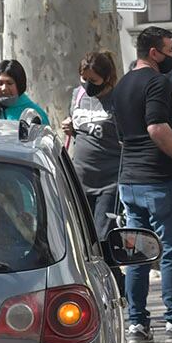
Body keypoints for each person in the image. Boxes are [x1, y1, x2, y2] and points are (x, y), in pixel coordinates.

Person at [111, 26, 172, 342]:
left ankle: (137, 323)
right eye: (170, 50)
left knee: (137, 255)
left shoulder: (124, 84)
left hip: (129, 181)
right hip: (160, 182)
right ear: (154, 53)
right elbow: (154, 128)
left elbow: (130, 131)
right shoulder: (158, 81)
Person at [61, 51, 123, 241]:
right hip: (80, 179)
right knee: (82, 239)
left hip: (109, 182)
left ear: (107, 79)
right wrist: (70, 125)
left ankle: (111, 271)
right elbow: (77, 124)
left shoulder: (118, 99)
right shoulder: (77, 95)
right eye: (83, 78)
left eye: (93, 80)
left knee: (102, 237)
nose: (87, 84)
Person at [0, 59, 49, 124]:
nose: (4, 88)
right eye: (0, 83)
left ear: (20, 85)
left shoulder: (34, 114)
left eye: (9, 83)